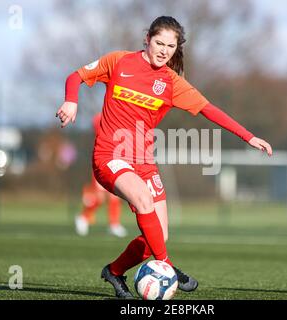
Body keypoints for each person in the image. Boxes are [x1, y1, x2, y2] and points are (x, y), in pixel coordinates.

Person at [56, 16, 273, 299]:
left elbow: (209, 109)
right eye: (159, 42)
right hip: (110, 155)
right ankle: (168, 267)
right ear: (147, 39)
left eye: (170, 46)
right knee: (144, 201)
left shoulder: (172, 82)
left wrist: (248, 136)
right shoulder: (119, 61)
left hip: (144, 161)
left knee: (156, 238)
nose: (163, 50)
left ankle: (114, 271)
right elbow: (76, 76)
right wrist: (71, 100)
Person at [75, 113, 128, 238]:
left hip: (116, 161)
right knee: (99, 196)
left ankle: (114, 224)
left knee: (115, 195)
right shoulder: (101, 117)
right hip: (102, 161)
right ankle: (84, 217)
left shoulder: (121, 116)